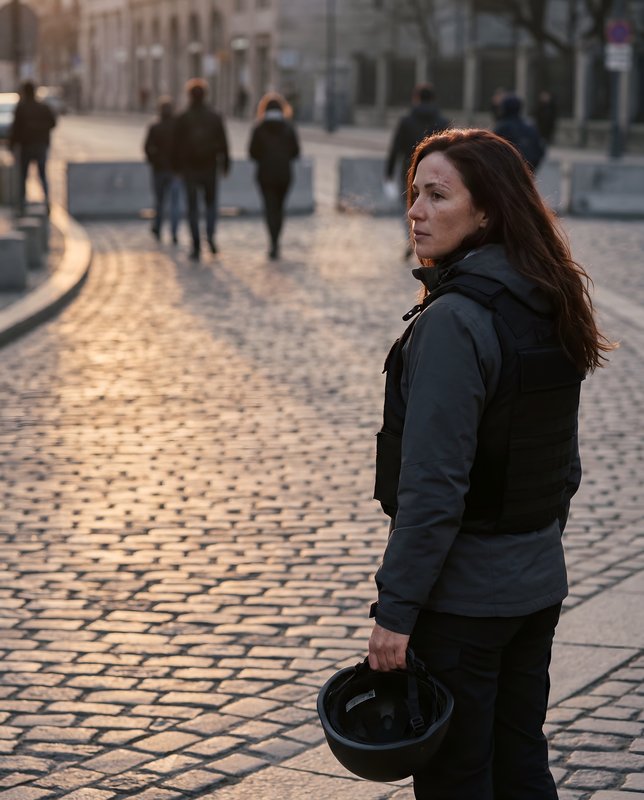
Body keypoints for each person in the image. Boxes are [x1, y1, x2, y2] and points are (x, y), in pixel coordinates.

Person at [369, 128, 615, 799]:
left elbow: (433, 488)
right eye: (415, 192)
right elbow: (563, 466)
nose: (416, 209)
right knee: (520, 766)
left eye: (438, 195)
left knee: (458, 780)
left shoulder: (456, 320)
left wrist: (395, 611)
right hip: (534, 589)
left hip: (465, 605)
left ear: (487, 211)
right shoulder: (546, 298)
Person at [385, 83, 449, 258]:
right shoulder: (443, 121)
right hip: (438, 174)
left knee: (407, 207)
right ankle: (430, 240)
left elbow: (395, 149)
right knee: (433, 205)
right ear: (433, 99)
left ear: (416, 98)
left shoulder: (406, 121)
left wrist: (388, 173)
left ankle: (411, 238)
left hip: (410, 172)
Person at [172, 78, 230, 260]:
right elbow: (223, 143)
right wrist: (225, 164)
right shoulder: (214, 116)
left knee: (192, 208)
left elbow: (175, 145)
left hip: (190, 169)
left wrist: (177, 167)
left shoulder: (183, 117)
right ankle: (210, 237)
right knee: (211, 204)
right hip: (209, 167)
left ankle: (196, 244)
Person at [248, 93, 300, 260]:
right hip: (284, 174)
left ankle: (273, 242)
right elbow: (296, 152)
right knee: (279, 207)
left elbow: (252, 153)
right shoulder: (289, 127)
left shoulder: (259, 127)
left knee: (270, 208)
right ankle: (277, 239)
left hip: (265, 174)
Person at [9, 80, 57, 214]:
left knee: (24, 176)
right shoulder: (43, 107)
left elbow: (15, 129)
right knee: (42, 174)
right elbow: (53, 123)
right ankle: (47, 200)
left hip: (26, 146)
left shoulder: (21, 107)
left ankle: (22, 204)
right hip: (41, 145)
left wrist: (12, 146)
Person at [144, 96, 181, 245]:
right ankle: (174, 233)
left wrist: (154, 161)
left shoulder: (155, 127)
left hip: (159, 170)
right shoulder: (178, 128)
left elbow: (147, 148)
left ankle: (158, 228)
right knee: (175, 203)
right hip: (175, 171)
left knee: (159, 202)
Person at [493, 92, 545, 173]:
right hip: (527, 174)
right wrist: (530, 170)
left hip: (508, 175)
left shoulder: (502, 128)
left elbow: (490, 151)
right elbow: (540, 151)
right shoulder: (530, 126)